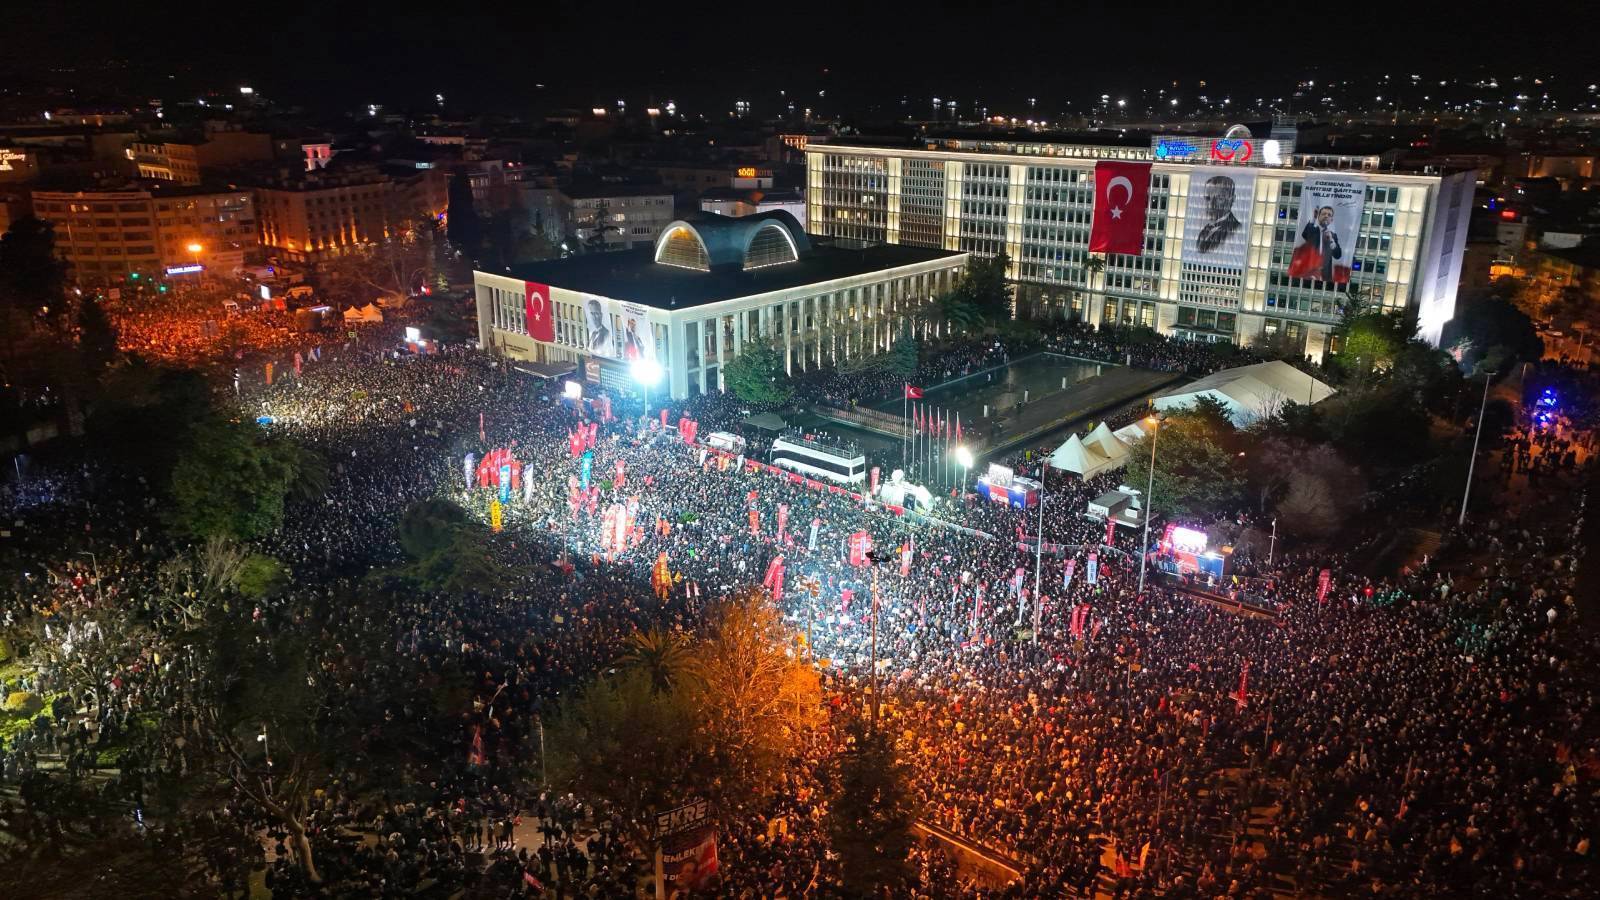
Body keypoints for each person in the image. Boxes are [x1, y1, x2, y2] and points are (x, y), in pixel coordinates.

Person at [1195, 175, 1240, 254]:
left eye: (1219, 198)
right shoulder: (1204, 231)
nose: (1211, 205)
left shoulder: (1236, 230)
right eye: (1207, 198)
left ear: (1232, 199)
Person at [1299, 204, 1343, 282]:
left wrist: (1331, 240)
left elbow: (1338, 255)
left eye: (1329, 215)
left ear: (1331, 220)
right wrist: (1313, 218)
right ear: (1318, 217)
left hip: (1325, 274)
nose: (1326, 216)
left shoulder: (1333, 235)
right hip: (1310, 270)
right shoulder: (1313, 230)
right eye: (1323, 214)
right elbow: (1305, 234)